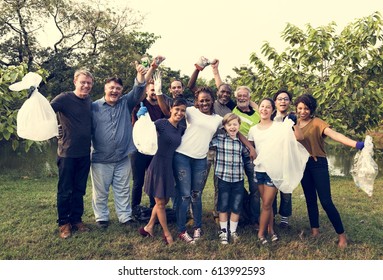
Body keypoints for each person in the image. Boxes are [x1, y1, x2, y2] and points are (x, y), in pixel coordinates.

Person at [90, 60, 154, 229]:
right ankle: (101, 217)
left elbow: (139, 90)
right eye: (111, 87)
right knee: (100, 192)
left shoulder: (126, 103)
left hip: (122, 157)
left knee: (123, 189)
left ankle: (125, 217)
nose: (115, 91)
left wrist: (140, 75)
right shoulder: (93, 107)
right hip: (100, 158)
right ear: (105, 88)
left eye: (118, 88)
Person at [295, 93, 364, 248]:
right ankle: (315, 232)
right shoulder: (293, 123)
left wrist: (356, 144)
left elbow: (335, 135)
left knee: (326, 201)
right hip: (302, 166)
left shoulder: (317, 122)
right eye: (300, 108)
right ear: (296, 109)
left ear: (311, 109)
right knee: (310, 200)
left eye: (306, 108)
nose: (303, 111)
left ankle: (342, 237)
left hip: (318, 164)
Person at [248, 98, 304, 245]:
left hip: (274, 171)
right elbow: (251, 148)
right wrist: (251, 149)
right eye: (262, 107)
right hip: (259, 170)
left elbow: (299, 137)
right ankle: (271, 230)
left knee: (266, 204)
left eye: (268, 107)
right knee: (267, 203)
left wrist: (295, 123)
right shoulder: (253, 130)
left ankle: (261, 234)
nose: (264, 110)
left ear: (272, 110)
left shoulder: (278, 127)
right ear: (258, 109)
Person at [50, 68, 94, 239]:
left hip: (84, 153)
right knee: (65, 190)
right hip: (66, 153)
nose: (86, 85)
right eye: (83, 82)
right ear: (75, 81)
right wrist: (54, 129)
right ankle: (63, 223)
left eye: (89, 83)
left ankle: (76, 219)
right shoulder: (64, 98)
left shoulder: (89, 101)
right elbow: (46, 112)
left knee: (79, 190)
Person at [138, 98, 188, 245]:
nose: (179, 113)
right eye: (177, 109)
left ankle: (148, 227)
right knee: (160, 202)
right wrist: (142, 117)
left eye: (183, 110)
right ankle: (167, 235)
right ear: (171, 109)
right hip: (158, 164)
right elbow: (144, 130)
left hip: (170, 166)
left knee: (164, 200)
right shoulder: (161, 123)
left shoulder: (181, 129)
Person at [130, 81, 166, 214]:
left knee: (153, 179)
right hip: (138, 149)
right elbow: (135, 127)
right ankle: (134, 207)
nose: (154, 93)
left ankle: (153, 206)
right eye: (151, 90)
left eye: (156, 90)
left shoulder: (161, 107)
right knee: (138, 180)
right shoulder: (139, 106)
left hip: (154, 149)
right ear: (146, 91)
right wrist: (139, 117)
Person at [210, 113, 247, 244]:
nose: (232, 127)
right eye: (229, 125)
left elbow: (247, 154)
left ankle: (233, 231)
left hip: (238, 178)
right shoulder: (219, 139)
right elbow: (207, 142)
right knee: (223, 205)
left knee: (236, 206)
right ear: (224, 126)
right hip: (223, 177)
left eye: (235, 124)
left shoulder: (241, 142)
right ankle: (224, 232)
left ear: (239, 126)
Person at [232, 86, 261, 229]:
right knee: (236, 186)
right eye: (239, 95)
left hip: (254, 153)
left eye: (245, 96)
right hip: (238, 151)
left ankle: (255, 219)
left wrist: (253, 149)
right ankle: (241, 215)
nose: (242, 98)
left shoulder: (257, 113)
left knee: (255, 187)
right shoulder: (232, 108)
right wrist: (215, 70)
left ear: (250, 98)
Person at [272, 89, 295, 228]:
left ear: (289, 102)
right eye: (280, 99)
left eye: (286, 99)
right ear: (275, 102)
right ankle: (272, 216)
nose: (283, 101)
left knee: (286, 190)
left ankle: (285, 218)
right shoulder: (269, 116)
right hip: (272, 159)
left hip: (287, 158)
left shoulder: (293, 118)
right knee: (271, 189)